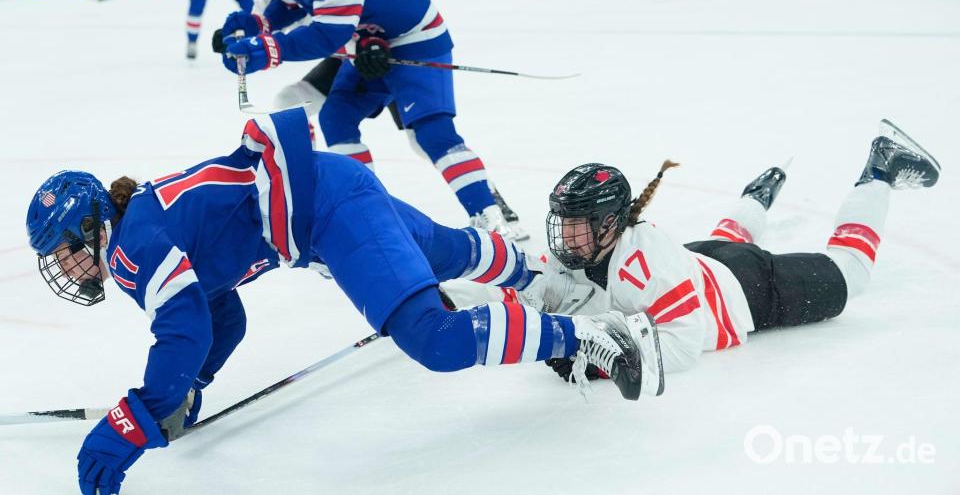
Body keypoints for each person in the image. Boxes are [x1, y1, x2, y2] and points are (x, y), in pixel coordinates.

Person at [25, 109, 662, 495]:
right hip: (334, 192)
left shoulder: (132, 247)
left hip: (329, 213)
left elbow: (185, 329)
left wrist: (139, 416)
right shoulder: (137, 224)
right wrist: (189, 388)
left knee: (435, 339)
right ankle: (537, 271)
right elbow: (223, 314)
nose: (64, 268)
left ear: (89, 227)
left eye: (61, 251)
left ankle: (588, 334)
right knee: (444, 250)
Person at [443, 120, 941, 389]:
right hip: (704, 262)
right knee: (723, 241)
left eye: (578, 227)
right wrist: (444, 295)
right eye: (564, 225)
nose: (566, 239)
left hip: (748, 289)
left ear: (611, 223)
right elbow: (530, 287)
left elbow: (684, 342)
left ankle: (879, 171)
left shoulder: (646, 265)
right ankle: (757, 195)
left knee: (850, 276)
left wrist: (600, 361)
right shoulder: (588, 252)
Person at [215, 0, 527, 239]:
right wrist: (258, 25)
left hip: (414, 40)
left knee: (431, 135)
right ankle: (367, 210)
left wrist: (266, 50)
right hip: (363, 46)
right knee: (336, 117)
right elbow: (290, 6)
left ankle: (491, 216)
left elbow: (326, 34)